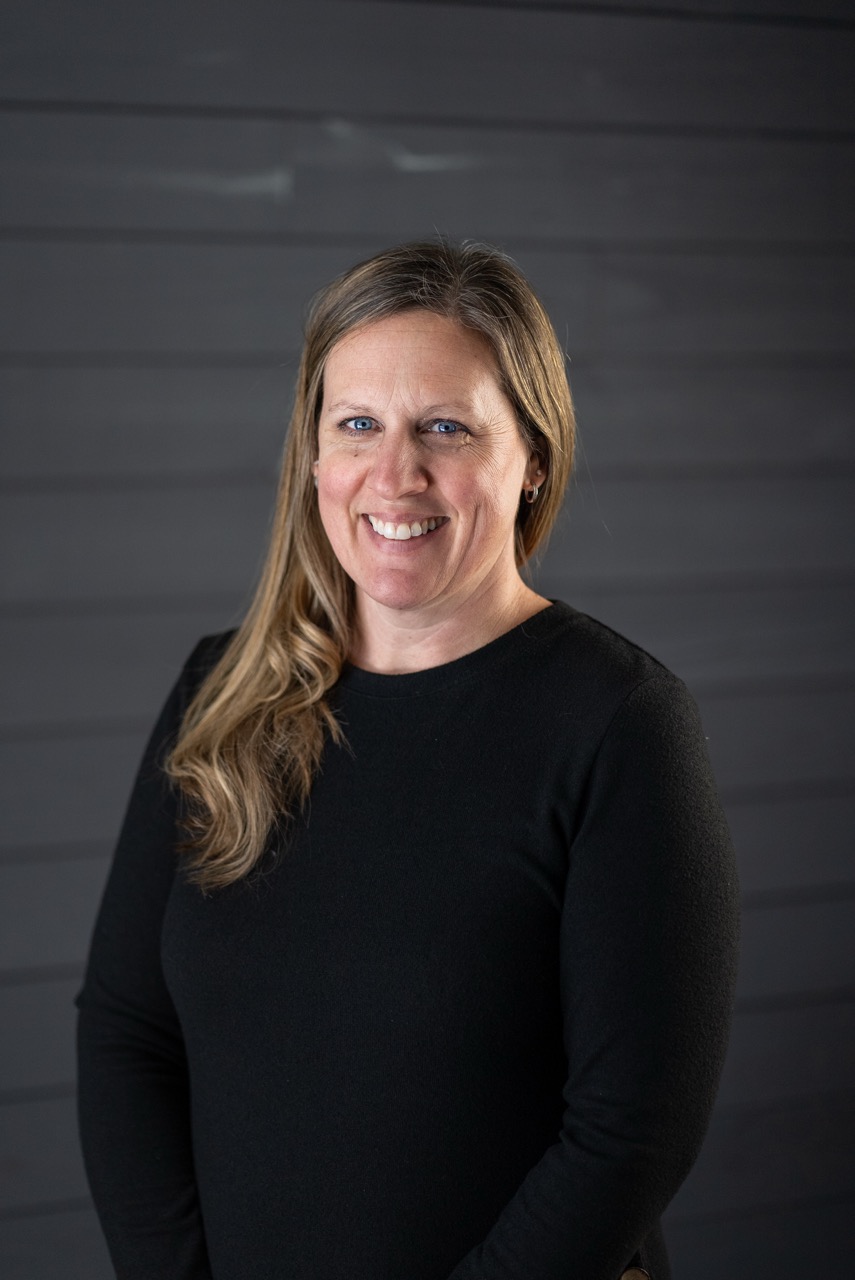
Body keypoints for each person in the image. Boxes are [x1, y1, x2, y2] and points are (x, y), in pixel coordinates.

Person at [76, 239, 739, 1280]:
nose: (395, 474)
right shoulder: (222, 689)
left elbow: (631, 1130)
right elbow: (126, 1030)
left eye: (445, 426)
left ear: (533, 458)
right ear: (314, 453)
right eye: (358, 425)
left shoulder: (620, 721)